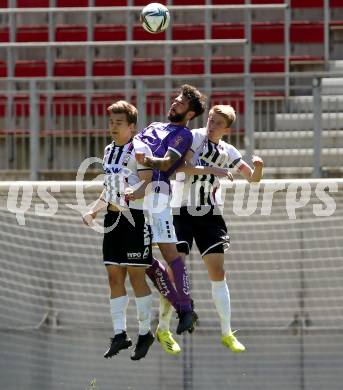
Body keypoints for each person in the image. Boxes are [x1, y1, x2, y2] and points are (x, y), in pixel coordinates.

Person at [165, 104, 264, 353]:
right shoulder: (193, 137)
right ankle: (163, 327)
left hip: (209, 214)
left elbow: (252, 178)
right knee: (175, 270)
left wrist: (259, 168)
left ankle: (226, 332)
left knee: (218, 271)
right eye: (210, 119)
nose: (212, 125)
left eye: (218, 123)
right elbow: (180, 167)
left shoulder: (228, 151)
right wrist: (213, 170)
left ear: (227, 129)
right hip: (182, 211)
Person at [135, 84, 207, 355]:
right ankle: (183, 308)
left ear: (190, 113)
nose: (174, 104)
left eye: (180, 103)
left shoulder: (183, 134)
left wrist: (146, 159)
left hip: (158, 196)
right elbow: (133, 149)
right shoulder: (153, 126)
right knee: (140, 259)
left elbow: (165, 163)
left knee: (171, 254)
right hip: (135, 196)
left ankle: (185, 307)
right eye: (175, 100)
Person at [82, 100, 155, 361]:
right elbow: (109, 187)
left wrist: (133, 193)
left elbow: (148, 182)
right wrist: (94, 209)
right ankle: (120, 335)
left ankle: (146, 332)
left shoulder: (140, 148)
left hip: (135, 219)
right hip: (112, 222)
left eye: (119, 122)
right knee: (114, 278)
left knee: (137, 278)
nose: (113, 127)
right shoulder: (108, 150)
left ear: (132, 126)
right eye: (111, 122)